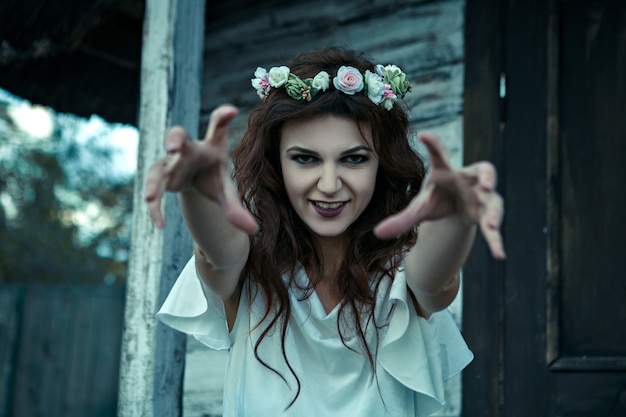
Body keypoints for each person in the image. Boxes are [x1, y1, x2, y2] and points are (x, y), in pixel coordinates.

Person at [145, 46, 505, 417]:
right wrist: (199, 190)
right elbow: (218, 253)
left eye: (354, 159)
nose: (330, 184)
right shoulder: (251, 267)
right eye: (305, 158)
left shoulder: (400, 275)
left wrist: (455, 217)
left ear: (382, 166)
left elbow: (433, 280)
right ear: (276, 164)